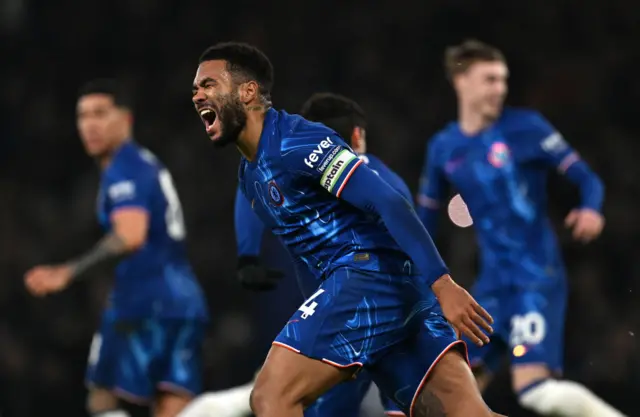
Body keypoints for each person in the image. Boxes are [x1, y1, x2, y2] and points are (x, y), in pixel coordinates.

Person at [191, 41, 501, 417]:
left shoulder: (297, 140)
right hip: (394, 293)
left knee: (271, 397)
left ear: (248, 91)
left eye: (208, 84)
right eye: (195, 88)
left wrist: (443, 283)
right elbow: (306, 260)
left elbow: (389, 202)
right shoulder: (250, 175)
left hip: (366, 278)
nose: (197, 95)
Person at [416, 39, 624, 417]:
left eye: (503, 80)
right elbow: (425, 221)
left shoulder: (527, 128)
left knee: (536, 393)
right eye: (490, 79)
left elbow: (587, 179)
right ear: (461, 81)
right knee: (450, 398)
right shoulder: (443, 148)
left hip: (535, 278)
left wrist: (591, 208)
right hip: (490, 288)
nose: (500, 88)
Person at [180, 93, 407, 417]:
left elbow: (251, 184)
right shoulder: (387, 181)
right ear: (357, 135)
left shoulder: (289, 172)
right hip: (390, 317)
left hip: (336, 323)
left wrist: (247, 254)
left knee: (280, 399)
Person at [24, 79, 209, 417]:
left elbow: (130, 235)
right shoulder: (142, 163)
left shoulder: (125, 169)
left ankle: (251, 397)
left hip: (145, 302)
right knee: (172, 408)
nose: (90, 125)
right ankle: (248, 399)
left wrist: (69, 271)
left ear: (126, 120)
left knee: (103, 397)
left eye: (100, 113)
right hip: (181, 299)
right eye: (82, 116)